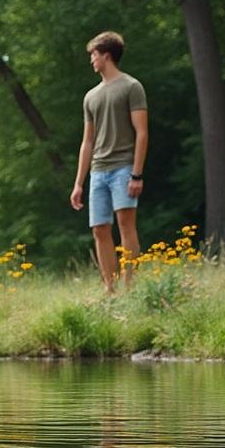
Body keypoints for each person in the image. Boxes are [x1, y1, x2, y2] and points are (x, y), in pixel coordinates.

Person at [69, 31, 148, 294]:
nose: (91, 59)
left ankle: (130, 287)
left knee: (126, 225)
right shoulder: (90, 97)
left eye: (94, 54)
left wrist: (137, 174)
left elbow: (142, 133)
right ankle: (110, 289)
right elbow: (87, 142)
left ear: (106, 55)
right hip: (98, 172)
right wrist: (79, 183)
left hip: (124, 168)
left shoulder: (131, 87)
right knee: (99, 229)